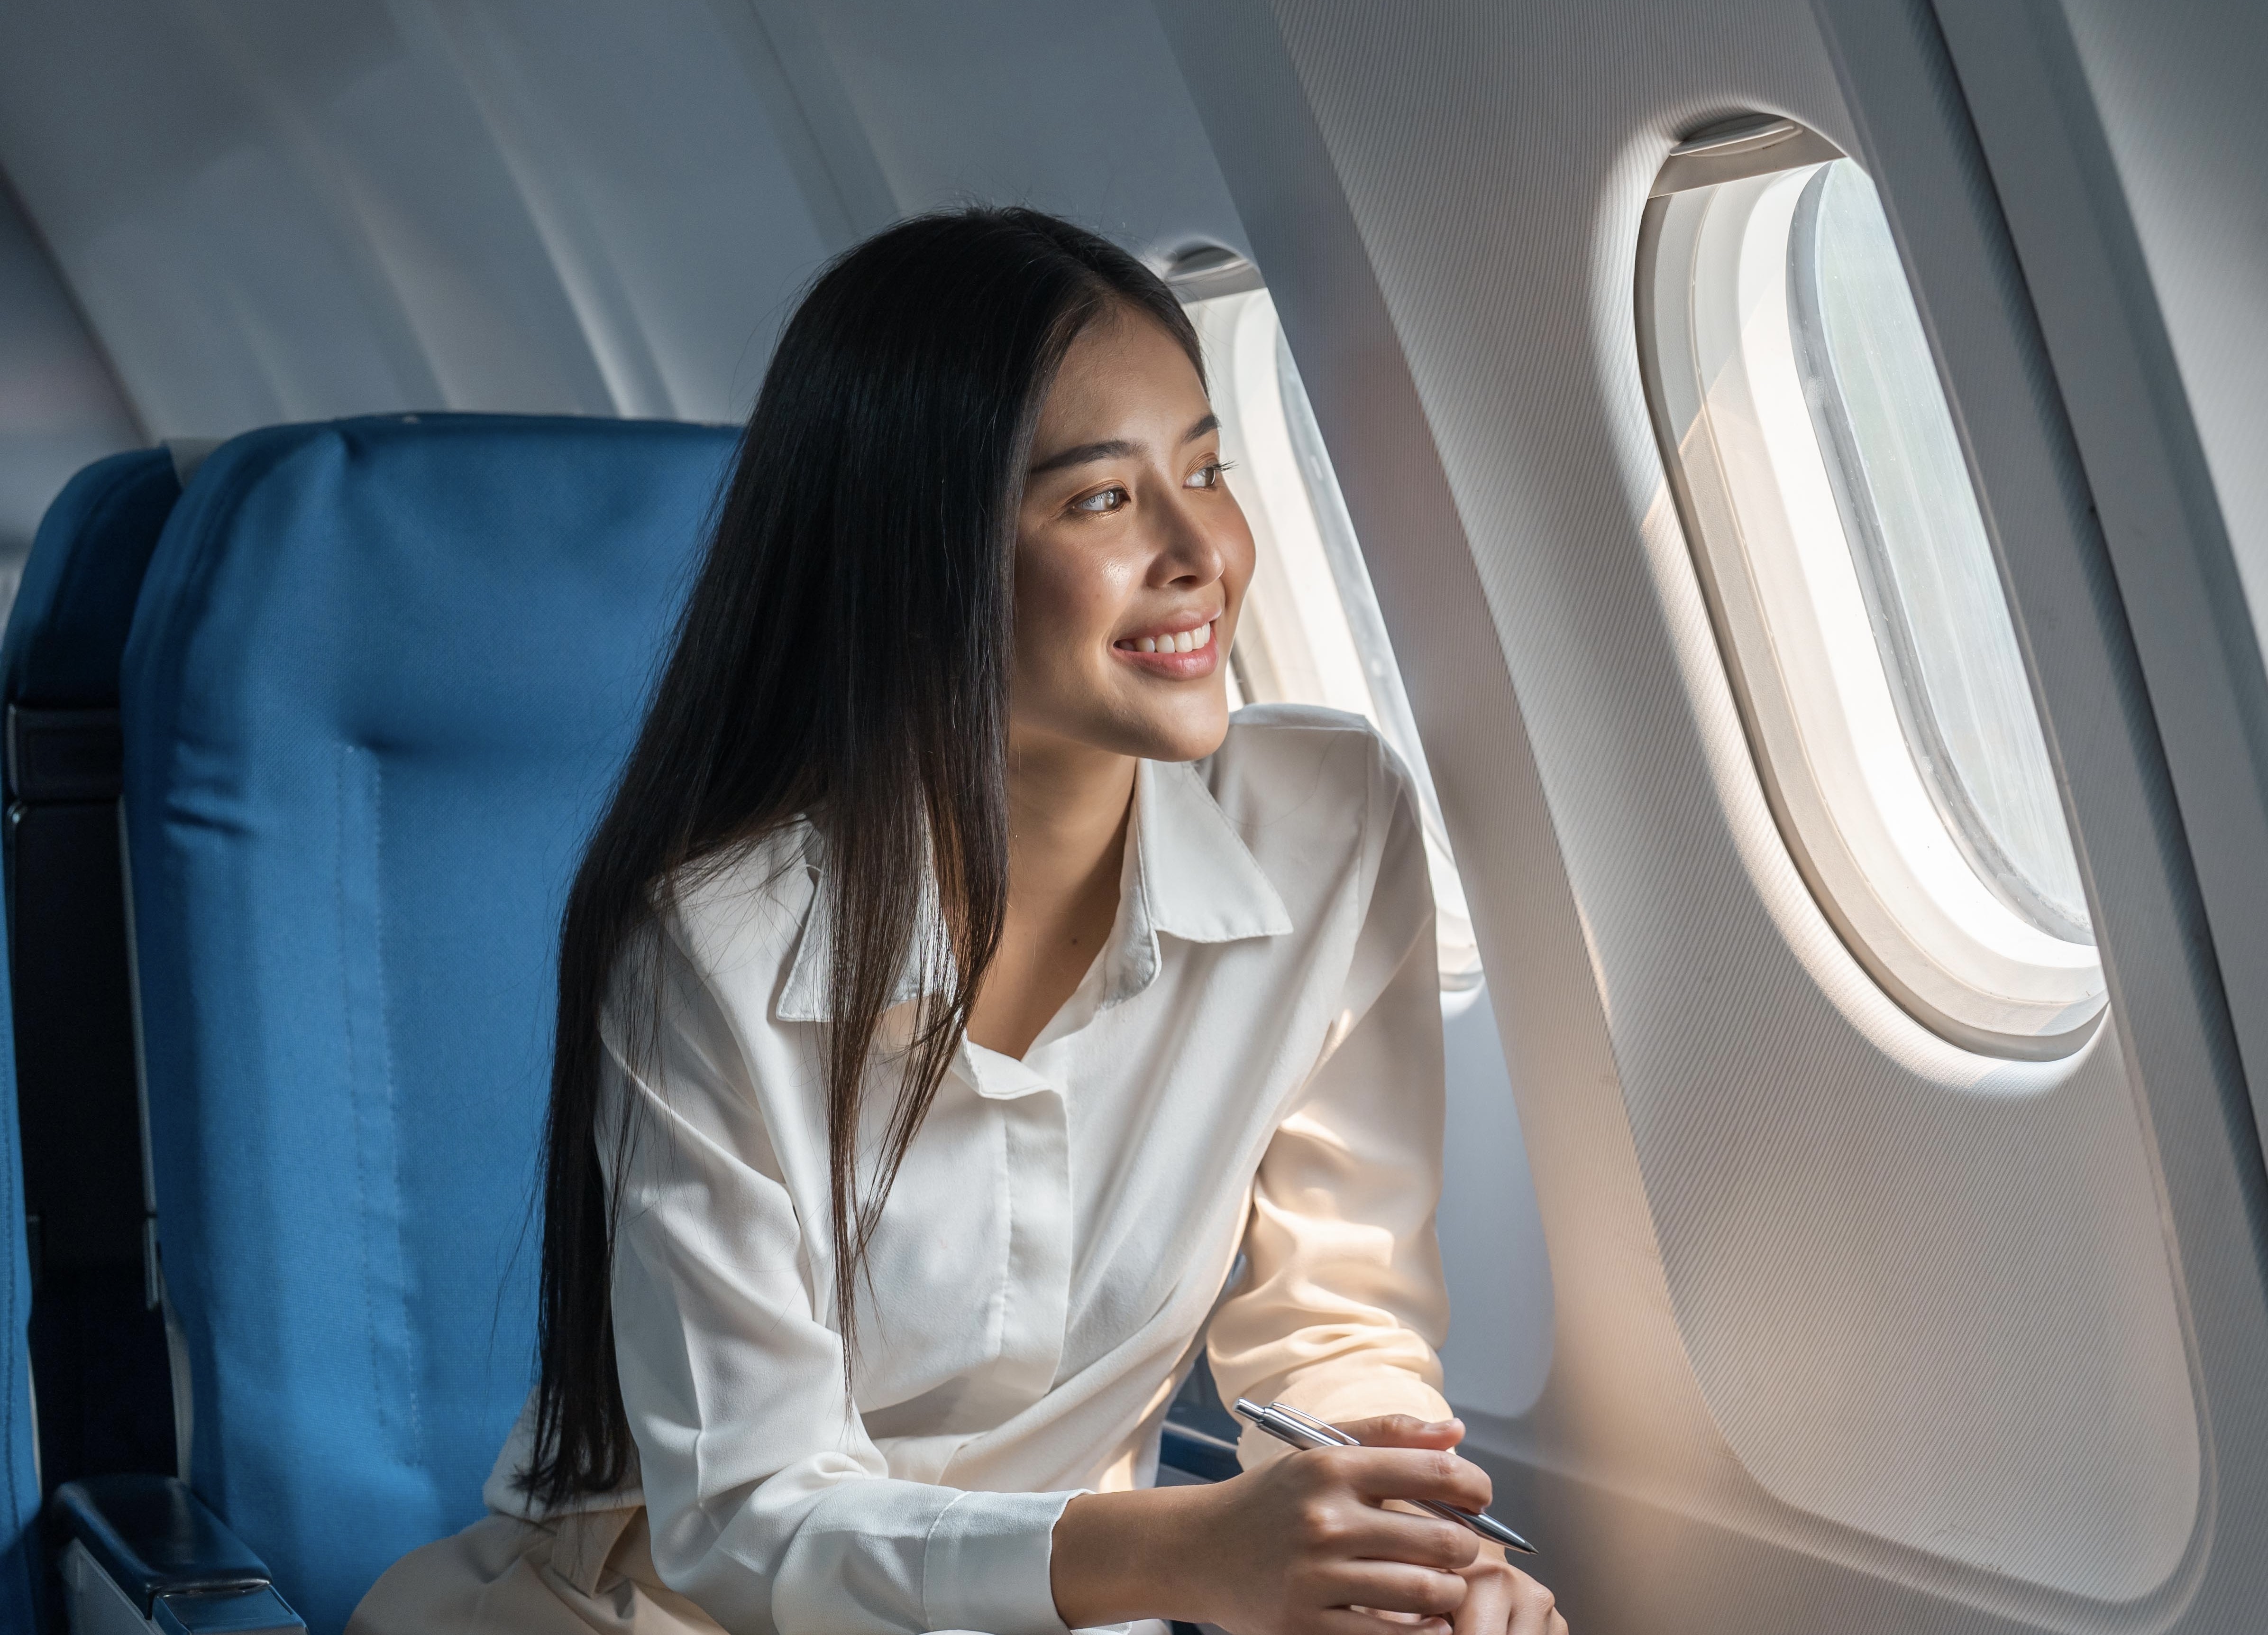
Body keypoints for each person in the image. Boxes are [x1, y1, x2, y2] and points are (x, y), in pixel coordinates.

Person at [351, 208, 1564, 1635]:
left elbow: (1333, 1319)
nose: (1200, 551)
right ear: (921, 558)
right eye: (1100, 501)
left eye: (1206, 469)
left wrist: (1407, 1553)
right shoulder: (714, 948)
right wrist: (1181, 1558)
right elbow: (745, 1517)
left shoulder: (1330, 823)